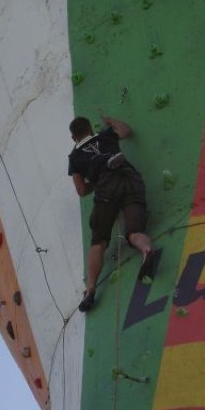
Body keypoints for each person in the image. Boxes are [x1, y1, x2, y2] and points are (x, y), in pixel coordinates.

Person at [68, 115, 155, 312]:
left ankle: (90, 291)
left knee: (99, 242)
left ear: (74, 138)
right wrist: (111, 121)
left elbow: (81, 190)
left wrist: (95, 183)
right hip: (130, 179)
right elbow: (126, 130)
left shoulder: (74, 158)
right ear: (90, 129)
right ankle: (147, 250)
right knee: (134, 231)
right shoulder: (106, 137)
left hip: (106, 190)